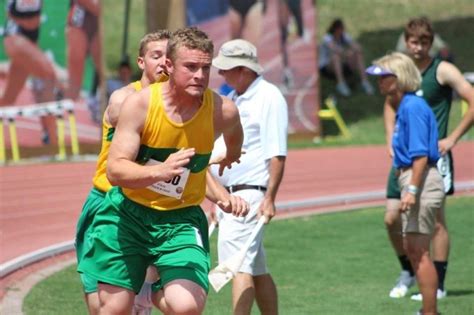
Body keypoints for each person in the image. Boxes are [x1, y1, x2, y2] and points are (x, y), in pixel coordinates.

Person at [77, 26, 247, 315]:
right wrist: (161, 171)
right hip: (128, 213)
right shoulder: (137, 103)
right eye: (191, 67)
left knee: (186, 307)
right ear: (169, 65)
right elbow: (116, 170)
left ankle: (158, 283)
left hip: (179, 220)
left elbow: (234, 133)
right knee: (112, 309)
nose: (200, 76)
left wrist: (230, 155)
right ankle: (146, 277)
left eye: (206, 68)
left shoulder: (222, 109)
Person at [75, 30, 172, 315]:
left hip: (151, 208)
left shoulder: (178, 106)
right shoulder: (125, 97)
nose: (164, 62)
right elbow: (120, 109)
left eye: (169, 57)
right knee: (101, 305)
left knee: (142, 304)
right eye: (157, 56)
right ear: (141, 62)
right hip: (108, 202)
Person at [383, 17, 474, 301]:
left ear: (430, 43)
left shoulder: (442, 70)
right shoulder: (401, 69)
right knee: (390, 218)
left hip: (431, 157)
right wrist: (390, 139)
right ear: (406, 42)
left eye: (424, 42)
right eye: (413, 42)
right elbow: (388, 103)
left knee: (436, 222)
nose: (419, 47)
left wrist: (454, 137)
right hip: (403, 160)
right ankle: (409, 271)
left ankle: (438, 284)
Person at [211, 38, 288, 315]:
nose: (221, 74)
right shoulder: (234, 98)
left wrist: (269, 198)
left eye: (226, 69)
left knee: (237, 266)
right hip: (233, 195)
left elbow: (276, 152)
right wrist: (217, 197)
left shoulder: (269, 97)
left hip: (249, 195)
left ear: (243, 69)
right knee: (255, 268)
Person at [367, 52, 445, 315]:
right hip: (414, 177)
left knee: (419, 251)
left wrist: (411, 189)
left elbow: (420, 155)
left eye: (384, 77)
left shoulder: (412, 107)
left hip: (420, 179)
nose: (379, 83)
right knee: (415, 248)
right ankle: (427, 310)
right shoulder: (406, 106)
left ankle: (429, 312)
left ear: (399, 78)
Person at [1, 0, 58, 143]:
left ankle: (49, 135)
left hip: (29, 42)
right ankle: (51, 138)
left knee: (8, 98)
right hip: (16, 38)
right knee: (48, 74)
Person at [318, 18, 374, 97]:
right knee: (335, 57)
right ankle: (341, 83)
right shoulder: (327, 38)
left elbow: (357, 47)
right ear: (335, 29)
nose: (342, 31)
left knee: (358, 55)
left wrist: (354, 50)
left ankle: (364, 81)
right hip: (327, 68)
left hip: (342, 65)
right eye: (340, 29)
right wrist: (347, 53)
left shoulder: (343, 36)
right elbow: (336, 49)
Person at [65, 0, 101, 101]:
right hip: (80, 18)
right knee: (74, 82)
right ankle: (67, 105)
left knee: (102, 67)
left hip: (101, 21)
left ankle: (96, 98)